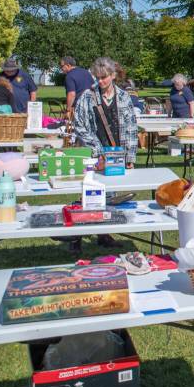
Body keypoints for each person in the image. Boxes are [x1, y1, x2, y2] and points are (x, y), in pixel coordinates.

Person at [71, 57, 139, 253]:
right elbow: (80, 126)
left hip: (118, 153)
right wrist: (97, 149)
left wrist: (130, 158)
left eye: (104, 77)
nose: (100, 81)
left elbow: (131, 128)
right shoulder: (87, 96)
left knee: (111, 196)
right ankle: (77, 236)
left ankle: (104, 234)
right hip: (95, 154)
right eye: (97, 77)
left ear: (113, 76)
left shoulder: (124, 97)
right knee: (89, 194)